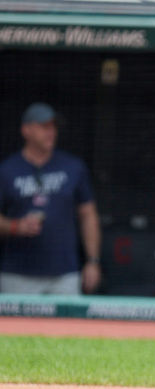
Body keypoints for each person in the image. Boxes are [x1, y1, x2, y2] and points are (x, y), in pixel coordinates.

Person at [0, 102, 100, 295]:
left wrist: (93, 261)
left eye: (53, 127)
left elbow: (88, 215)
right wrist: (15, 226)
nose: (51, 132)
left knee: (70, 325)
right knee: (15, 327)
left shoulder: (73, 167)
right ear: (26, 130)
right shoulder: (6, 170)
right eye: (44, 126)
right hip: (17, 275)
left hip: (64, 275)